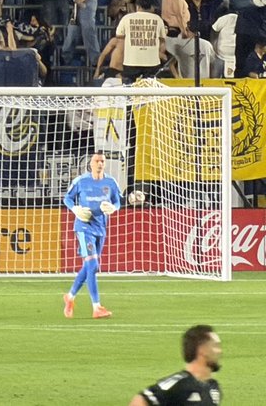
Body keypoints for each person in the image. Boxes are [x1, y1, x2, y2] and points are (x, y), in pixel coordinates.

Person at [62, 153, 121, 320]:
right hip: (83, 227)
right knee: (93, 264)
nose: (100, 163)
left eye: (102, 161)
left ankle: (70, 296)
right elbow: (67, 198)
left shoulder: (110, 182)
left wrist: (113, 208)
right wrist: (75, 210)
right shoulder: (81, 181)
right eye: (97, 161)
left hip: (101, 228)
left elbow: (117, 201)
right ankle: (97, 307)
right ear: (91, 164)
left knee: (90, 267)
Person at [129, 325, 223, 406]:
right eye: (215, 346)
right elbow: (139, 401)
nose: (220, 351)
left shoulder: (213, 387)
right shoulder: (179, 383)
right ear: (202, 350)